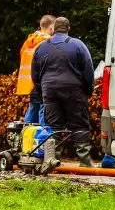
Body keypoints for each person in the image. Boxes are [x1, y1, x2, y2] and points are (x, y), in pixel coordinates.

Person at [30, 16, 96, 167]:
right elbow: (88, 70)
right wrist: (88, 90)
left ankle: (52, 161)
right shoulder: (78, 45)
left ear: (53, 29)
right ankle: (85, 162)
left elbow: (34, 74)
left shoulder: (41, 47)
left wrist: (42, 90)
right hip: (74, 91)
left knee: (53, 126)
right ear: (68, 28)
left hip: (50, 91)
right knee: (79, 124)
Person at [21, 15, 55, 124]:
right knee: (43, 110)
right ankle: (42, 138)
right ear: (51, 27)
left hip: (29, 84)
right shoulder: (47, 43)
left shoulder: (29, 42)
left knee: (33, 108)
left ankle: (26, 136)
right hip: (43, 82)